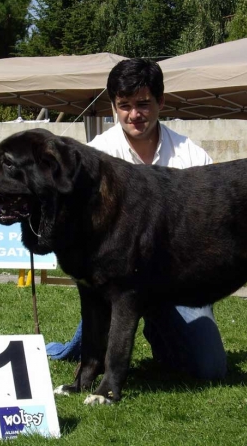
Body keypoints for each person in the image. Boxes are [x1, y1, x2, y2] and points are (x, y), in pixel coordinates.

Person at [45, 58, 227, 380]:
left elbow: (209, 227)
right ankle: (72, 348)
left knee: (208, 369)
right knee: (100, 323)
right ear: (114, 106)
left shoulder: (193, 158)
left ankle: (156, 329)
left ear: (161, 101)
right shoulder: (95, 154)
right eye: (124, 105)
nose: (134, 115)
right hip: (116, 280)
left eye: (143, 104)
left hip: (176, 281)